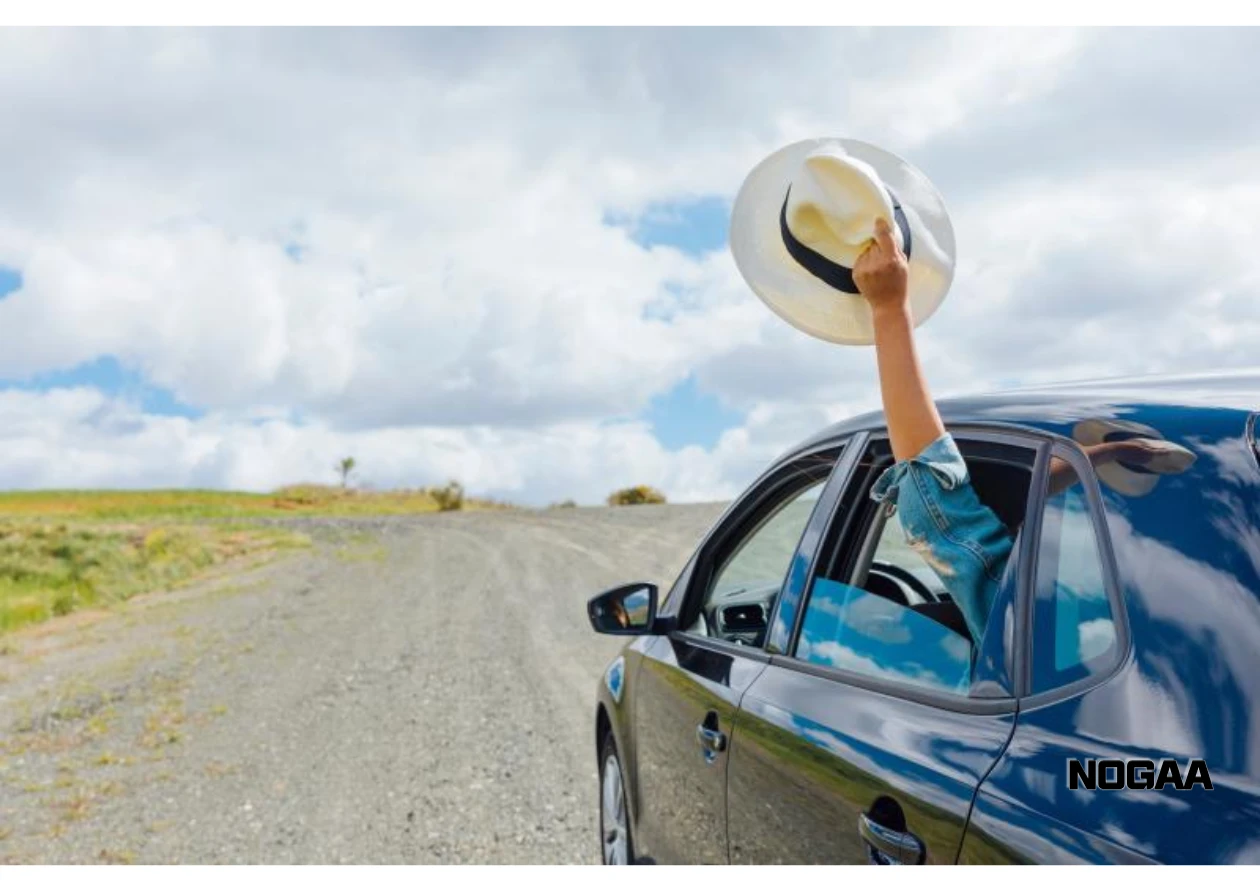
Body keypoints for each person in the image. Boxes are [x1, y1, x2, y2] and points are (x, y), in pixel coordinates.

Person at [852, 218, 1165, 644]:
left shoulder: (1029, 621)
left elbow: (935, 507)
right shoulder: (1150, 606)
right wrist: (1104, 453)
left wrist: (889, 310)